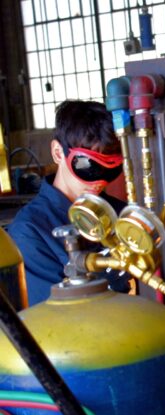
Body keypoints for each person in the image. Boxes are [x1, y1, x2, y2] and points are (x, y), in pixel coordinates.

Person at [8, 100, 129, 307]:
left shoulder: (122, 215)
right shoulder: (30, 232)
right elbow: (51, 320)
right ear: (58, 153)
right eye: (88, 167)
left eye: (110, 170)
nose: (99, 182)